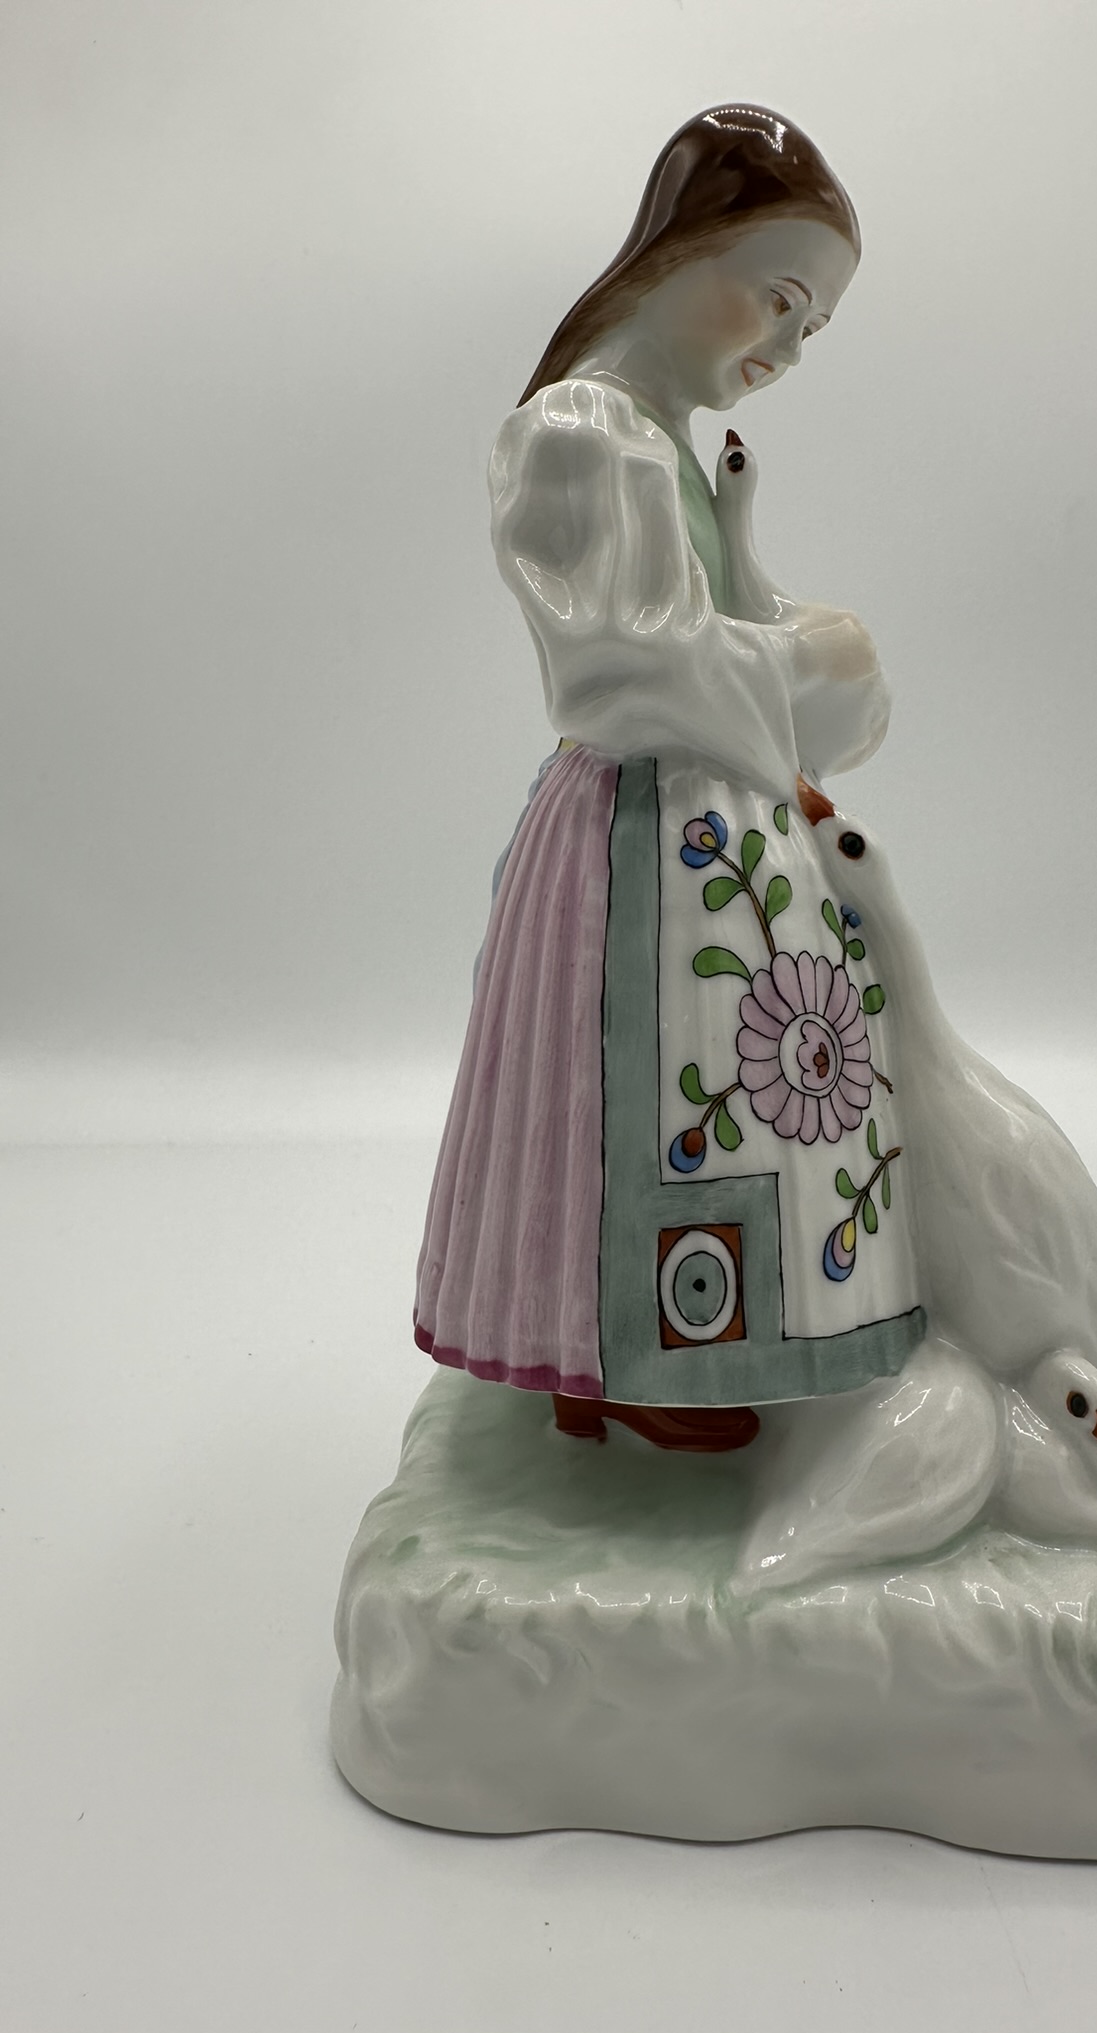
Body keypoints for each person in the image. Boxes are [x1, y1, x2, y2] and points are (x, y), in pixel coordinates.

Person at [414, 106, 925, 1452]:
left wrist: (762, 579)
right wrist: (810, 663)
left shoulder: (661, 443)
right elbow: (625, 665)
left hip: (697, 833)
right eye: (781, 300)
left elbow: (697, 624)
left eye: (813, 330)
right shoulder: (586, 432)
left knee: (687, 1091)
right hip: (639, 841)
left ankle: (626, 1360)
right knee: (641, 1090)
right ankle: (631, 1361)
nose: (787, 349)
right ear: (686, 250)